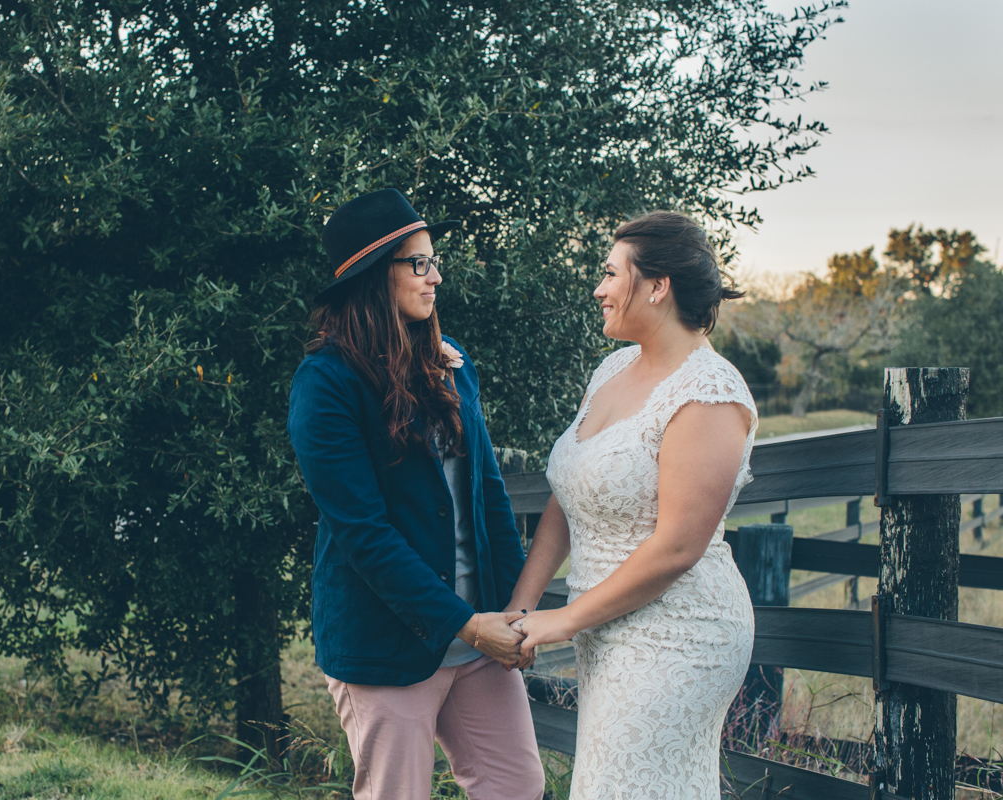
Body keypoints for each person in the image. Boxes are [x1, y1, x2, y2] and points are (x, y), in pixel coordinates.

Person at [287, 188, 545, 800]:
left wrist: (513, 612)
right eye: (420, 263)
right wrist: (465, 623)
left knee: (517, 786)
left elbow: (487, 493)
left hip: (480, 631)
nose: (436, 276)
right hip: (385, 641)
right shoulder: (325, 384)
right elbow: (363, 534)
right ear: (378, 275)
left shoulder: (455, 366)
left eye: (434, 261)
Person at [504, 211, 757, 799]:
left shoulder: (709, 393)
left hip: (679, 633)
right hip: (603, 629)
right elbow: (568, 498)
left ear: (657, 285)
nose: (599, 288)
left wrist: (561, 621)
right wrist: (524, 608)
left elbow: (677, 546)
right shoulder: (612, 369)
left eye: (611, 273)